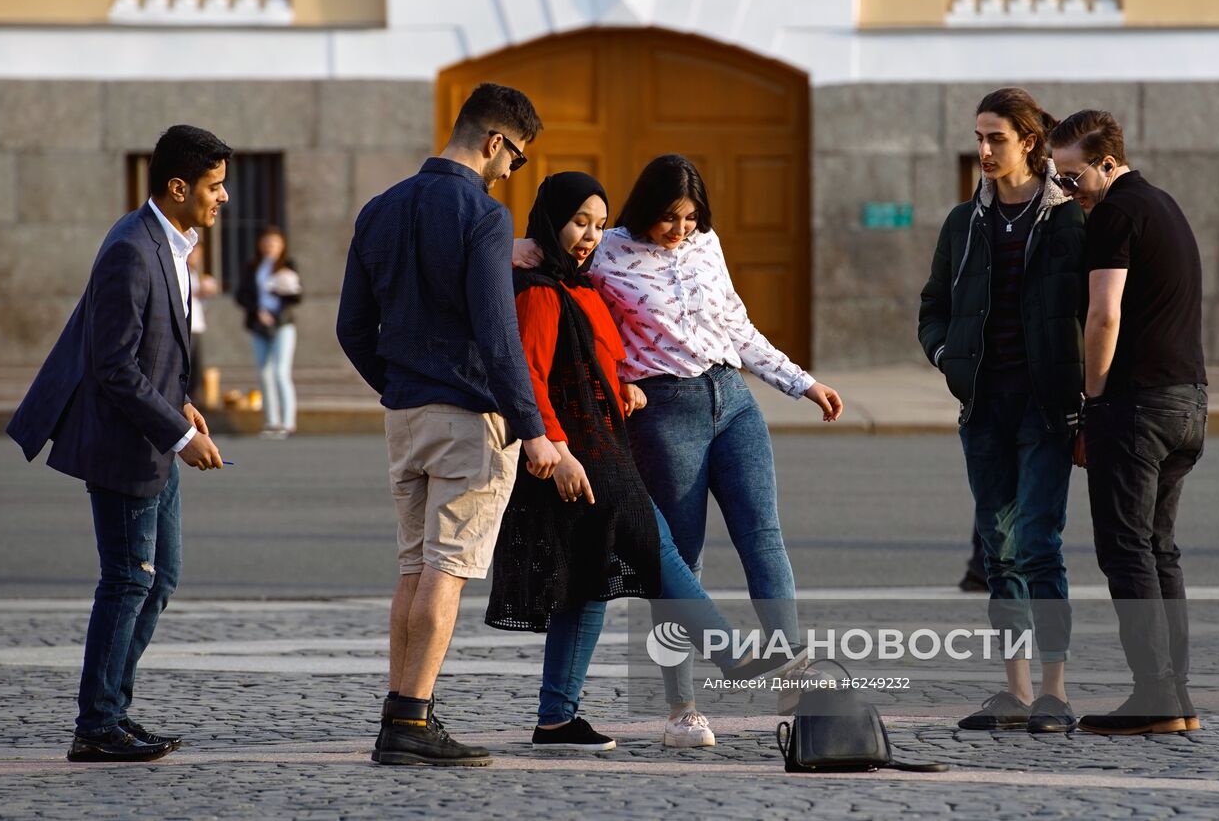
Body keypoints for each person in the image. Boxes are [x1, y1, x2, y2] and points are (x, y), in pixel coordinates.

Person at [516, 154, 843, 749]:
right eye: (670, 217)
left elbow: (738, 327)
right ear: (644, 210)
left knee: (764, 537)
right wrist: (517, 248)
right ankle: (682, 707)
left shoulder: (706, 246)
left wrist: (801, 382)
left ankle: (795, 682)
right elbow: (559, 288)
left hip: (734, 399)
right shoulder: (606, 249)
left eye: (691, 218)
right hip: (666, 411)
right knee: (677, 559)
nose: (681, 230)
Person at [336, 82, 561, 768]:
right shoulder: (483, 215)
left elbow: (350, 329)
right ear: (495, 141)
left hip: (404, 415)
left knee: (413, 567)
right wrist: (534, 428)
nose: (511, 171)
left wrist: (401, 387)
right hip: (468, 417)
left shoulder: (379, 208)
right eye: (516, 159)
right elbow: (498, 337)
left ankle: (399, 711)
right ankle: (413, 718)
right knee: (447, 569)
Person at [6, 125, 229, 763]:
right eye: (214, 187)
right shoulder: (133, 247)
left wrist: (180, 403)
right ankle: (98, 724)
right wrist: (181, 433)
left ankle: (112, 713)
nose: (223, 199)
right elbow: (113, 366)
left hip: (155, 435)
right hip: (128, 444)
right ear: (178, 187)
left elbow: (150, 355)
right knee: (129, 580)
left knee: (158, 581)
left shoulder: (170, 241)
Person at [918, 87, 1086, 734]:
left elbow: (1096, 311)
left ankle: (1053, 691)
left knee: (1039, 542)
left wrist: (1086, 400)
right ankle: (1014, 691)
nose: (984, 150)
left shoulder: (1069, 221)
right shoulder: (965, 223)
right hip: (985, 407)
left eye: (998, 138)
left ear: (1030, 142)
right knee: (997, 545)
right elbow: (933, 304)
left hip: (1046, 410)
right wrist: (946, 356)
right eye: (980, 138)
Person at [1051, 110, 1207, 736]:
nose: (1067, 190)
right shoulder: (1163, 204)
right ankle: (1176, 697)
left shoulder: (1116, 213)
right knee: (1158, 549)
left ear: (1108, 163)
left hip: (1136, 406)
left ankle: (1155, 694)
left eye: (1073, 177)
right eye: (1058, 179)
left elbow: (1104, 315)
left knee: (1126, 551)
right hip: (1187, 402)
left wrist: (1091, 400)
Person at [236, 226, 301, 438]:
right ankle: (272, 421)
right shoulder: (253, 267)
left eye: (274, 243)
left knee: (281, 371)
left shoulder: (288, 266)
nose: (270, 247)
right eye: (266, 243)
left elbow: (297, 297)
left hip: (283, 324)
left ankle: (288, 422)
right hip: (259, 325)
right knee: (264, 372)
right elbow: (241, 295)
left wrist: (284, 288)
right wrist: (258, 311)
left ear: (281, 245)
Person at [186, 242, 219, 393]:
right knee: (186, 368)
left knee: (195, 369)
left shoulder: (195, 273)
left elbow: (200, 303)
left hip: (197, 325)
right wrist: (198, 293)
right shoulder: (181, 270)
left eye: (198, 254)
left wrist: (205, 294)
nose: (195, 257)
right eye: (193, 253)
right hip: (187, 326)